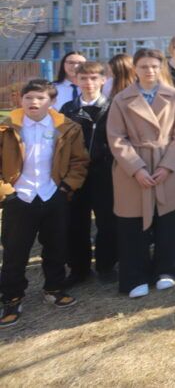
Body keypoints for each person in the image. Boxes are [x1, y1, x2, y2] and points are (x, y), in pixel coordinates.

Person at [1, 79, 90, 328]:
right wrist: (7, 192)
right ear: (21, 100)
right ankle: (11, 297)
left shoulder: (68, 127)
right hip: (19, 197)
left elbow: (79, 161)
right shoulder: (6, 127)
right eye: (29, 97)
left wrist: (66, 188)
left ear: (51, 102)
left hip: (53, 195)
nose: (34, 102)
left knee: (56, 246)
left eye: (40, 98)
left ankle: (54, 288)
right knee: (14, 251)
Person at [107, 49, 175, 299]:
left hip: (168, 165)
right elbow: (116, 138)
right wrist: (137, 169)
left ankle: (166, 270)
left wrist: (166, 166)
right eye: (144, 66)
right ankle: (135, 276)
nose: (149, 71)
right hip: (132, 168)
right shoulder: (122, 99)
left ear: (160, 68)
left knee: (167, 221)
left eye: (154, 66)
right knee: (132, 224)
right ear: (135, 69)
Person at [60, 61, 119, 286]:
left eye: (94, 78)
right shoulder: (68, 109)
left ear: (103, 80)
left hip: (104, 172)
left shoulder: (113, 106)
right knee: (76, 222)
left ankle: (106, 265)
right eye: (84, 78)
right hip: (76, 173)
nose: (89, 83)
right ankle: (79, 268)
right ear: (76, 80)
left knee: (107, 221)